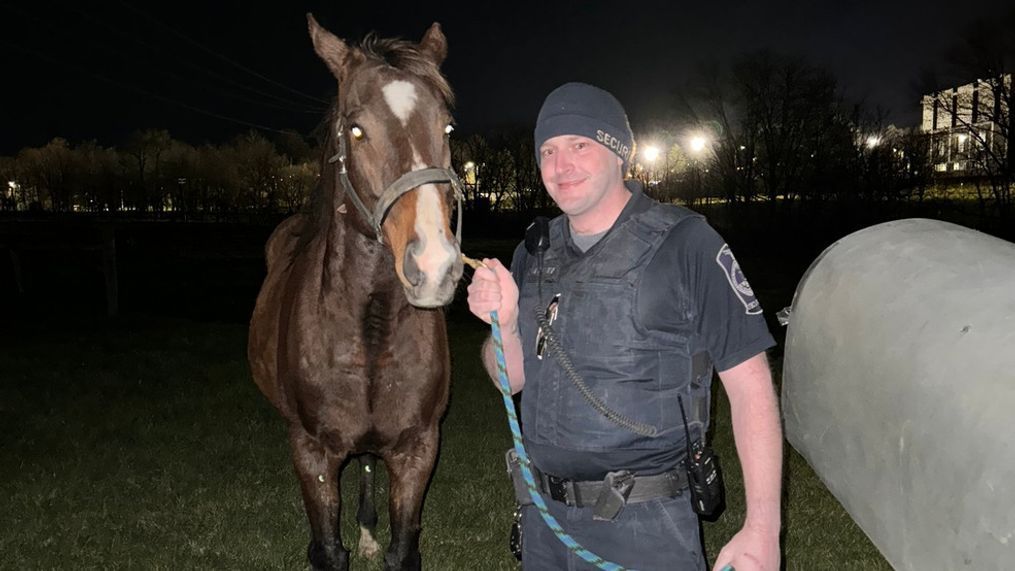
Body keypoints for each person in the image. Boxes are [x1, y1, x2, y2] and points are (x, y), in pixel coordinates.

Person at [466, 82, 782, 571]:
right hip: (544, 522)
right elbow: (513, 379)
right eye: (547, 150)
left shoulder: (686, 245)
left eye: (579, 145)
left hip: (645, 527)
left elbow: (751, 387)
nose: (560, 165)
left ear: (619, 154)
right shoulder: (534, 252)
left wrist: (763, 527)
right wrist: (503, 325)